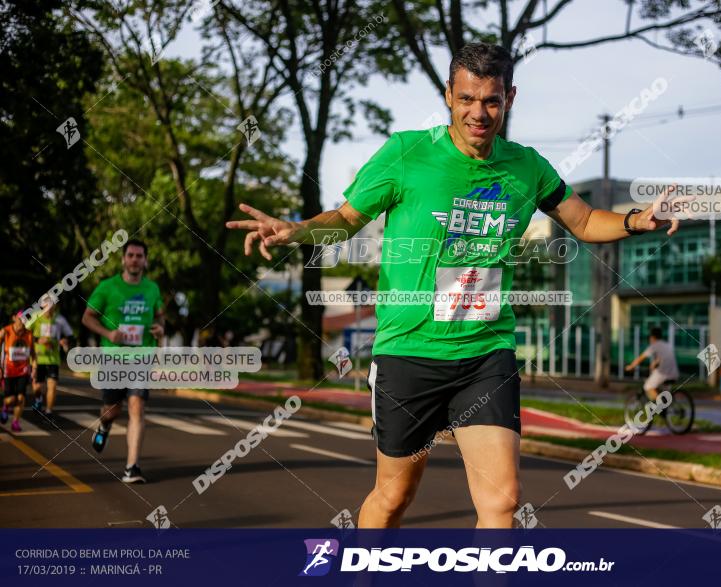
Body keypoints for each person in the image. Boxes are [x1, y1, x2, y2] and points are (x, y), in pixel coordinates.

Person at [227, 43, 686, 528]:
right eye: (466, 99)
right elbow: (344, 220)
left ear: (510, 98)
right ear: (448, 95)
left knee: (503, 500)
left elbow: (587, 219)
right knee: (394, 496)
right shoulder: (406, 154)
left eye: (491, 101)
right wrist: (297, 229)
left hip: (486, 354)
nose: (478, 113)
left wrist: (640, 218)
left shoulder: (526, 167)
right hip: (409, 351)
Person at [82, 239, 164, 483]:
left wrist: (160, 330)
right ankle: (105, 425)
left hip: (141, 357)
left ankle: (132, 467)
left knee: (137, 405)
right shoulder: (108, 287)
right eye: (131, 255)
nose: (135, 259)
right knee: (112, 409)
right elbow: (87, 317)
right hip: (113, 358)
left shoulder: (152, 289)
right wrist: (109, 334)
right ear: (123, 259)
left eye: (140, 255)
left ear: (145, 260)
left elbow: (160, 317)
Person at [30, 298, 73, 419]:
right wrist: (38, 340)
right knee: (37, 387)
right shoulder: (35, 317)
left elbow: (69, 334)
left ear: (55, 307)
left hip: (53, 359)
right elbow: (26, 334)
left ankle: (48, 412)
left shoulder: (59, 319)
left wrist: (65, 340)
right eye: (46, 306)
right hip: (38, 358)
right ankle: (38, 398)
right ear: (42, 306)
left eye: (52, 306)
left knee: (52, 386)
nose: (49, 309)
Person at [1, 311, 37, 432]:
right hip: (9, 371)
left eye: (25, 319)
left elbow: (33, 354)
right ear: (14, 318)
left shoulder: (29, 334)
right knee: (11, 399)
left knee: (21, 398)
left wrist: (34, 368)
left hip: (23, 371)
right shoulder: (6, 331)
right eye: (20, 318)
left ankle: (15, 422)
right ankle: (5, 407)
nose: (23, 321)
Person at [625, 327, 679, 401]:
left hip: (663, 373)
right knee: (663, 392)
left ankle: (660, 406)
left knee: (648, 386)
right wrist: (654, 363)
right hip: (674, 373)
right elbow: (664, 358)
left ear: (652, 337)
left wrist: (631, 366)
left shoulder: (654, 346)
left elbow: (641, 357)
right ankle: (666, 407)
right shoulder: (667, 345)